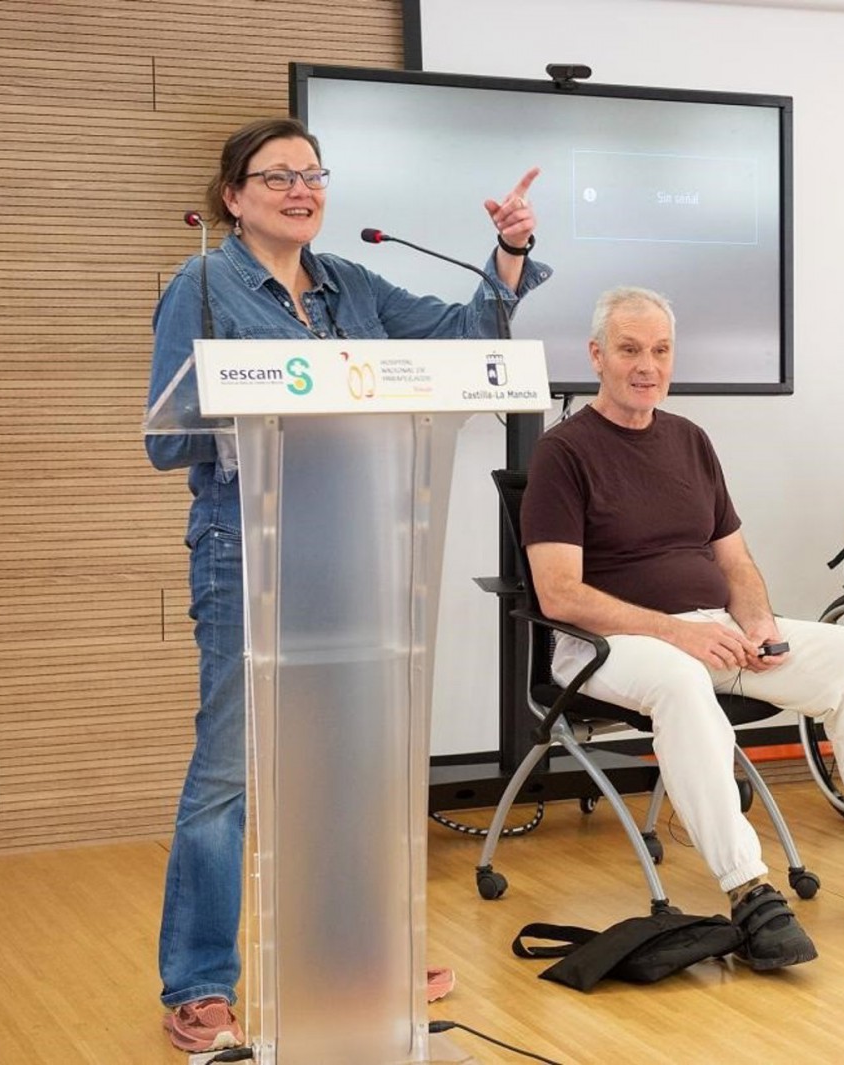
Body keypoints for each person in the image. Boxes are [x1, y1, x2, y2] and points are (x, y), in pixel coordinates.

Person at [144, 116, 550, 1054]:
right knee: (230, 769)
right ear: (233, 196)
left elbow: (470, 336)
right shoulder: (201, 287)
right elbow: (166, 440)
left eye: (313, 174)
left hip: (360, 549)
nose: (301, 189)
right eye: (277, 176)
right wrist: (257, 405)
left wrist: (509, 252)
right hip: (247, 548)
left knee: (352, 757)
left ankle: (360, 957)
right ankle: (200, 982)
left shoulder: (351, 285)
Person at [520, 287, 844, 971]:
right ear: (596, 355)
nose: (647, 366)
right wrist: (677, 635)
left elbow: (734, 561)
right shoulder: (564, 451)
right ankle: (748, 888)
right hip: (607, 648)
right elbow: (559, 593)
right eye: (629, 350)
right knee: (681, 680)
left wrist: (759, 622)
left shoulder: (689, 441)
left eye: (660, 350)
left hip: (713, 632)